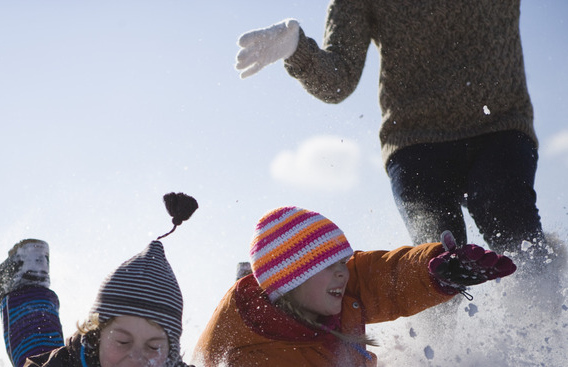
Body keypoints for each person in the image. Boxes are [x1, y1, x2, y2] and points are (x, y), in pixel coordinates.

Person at [234, 1, 556, 273]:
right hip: (414, 141)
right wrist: (296, 49)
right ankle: (444, 346)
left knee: (516, 231)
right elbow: (338, 82)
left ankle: (552, 329)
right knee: (438, 264)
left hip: (499, 128)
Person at [193, 206, 515, 367]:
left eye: (342, 263)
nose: (342, 273)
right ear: (289, 281)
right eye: (326, 266)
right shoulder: (259, 364)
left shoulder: (331, 290)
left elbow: (383, 277)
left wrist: (435, 271)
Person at [0, 194, 223, 367]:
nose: (137, 358)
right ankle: (26, 286)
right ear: (96, 335)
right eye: (122, 341)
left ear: (171, 354)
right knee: (39, 348)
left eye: (153, 347)